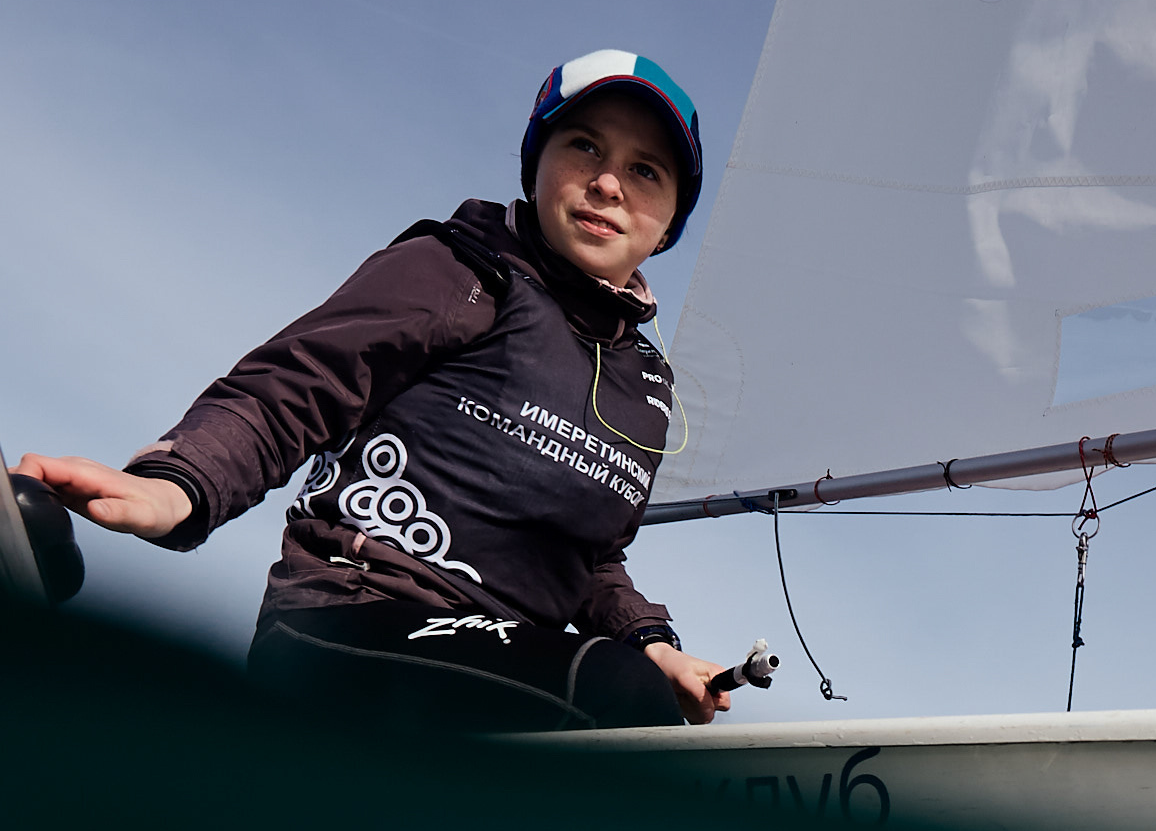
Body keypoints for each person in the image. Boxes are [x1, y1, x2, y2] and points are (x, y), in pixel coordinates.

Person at [21, 51, 731, 733]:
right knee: (611, 694)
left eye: (645, 170)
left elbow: (592, 558)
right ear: (536, 164)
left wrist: (650, 643)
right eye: (585, 147)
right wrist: (176, 485)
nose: (609, 183)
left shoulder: (645, 385)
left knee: (625, 689)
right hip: (350, 617)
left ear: (669, 223)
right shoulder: (460, 269)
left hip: (504, 664)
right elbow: (295, 389)